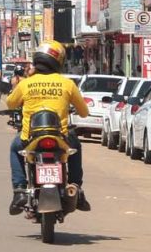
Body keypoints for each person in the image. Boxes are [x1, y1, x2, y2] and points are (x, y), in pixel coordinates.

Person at [5, 40, 91, 215]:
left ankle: (20, 190)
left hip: (30, 138)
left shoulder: (26, 83)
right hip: (61, 138)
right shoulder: (67, 84)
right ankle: (76, 188)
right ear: (58, 61)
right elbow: (83, 112)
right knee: (76, 147)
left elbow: (10, 103)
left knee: (15, 149)